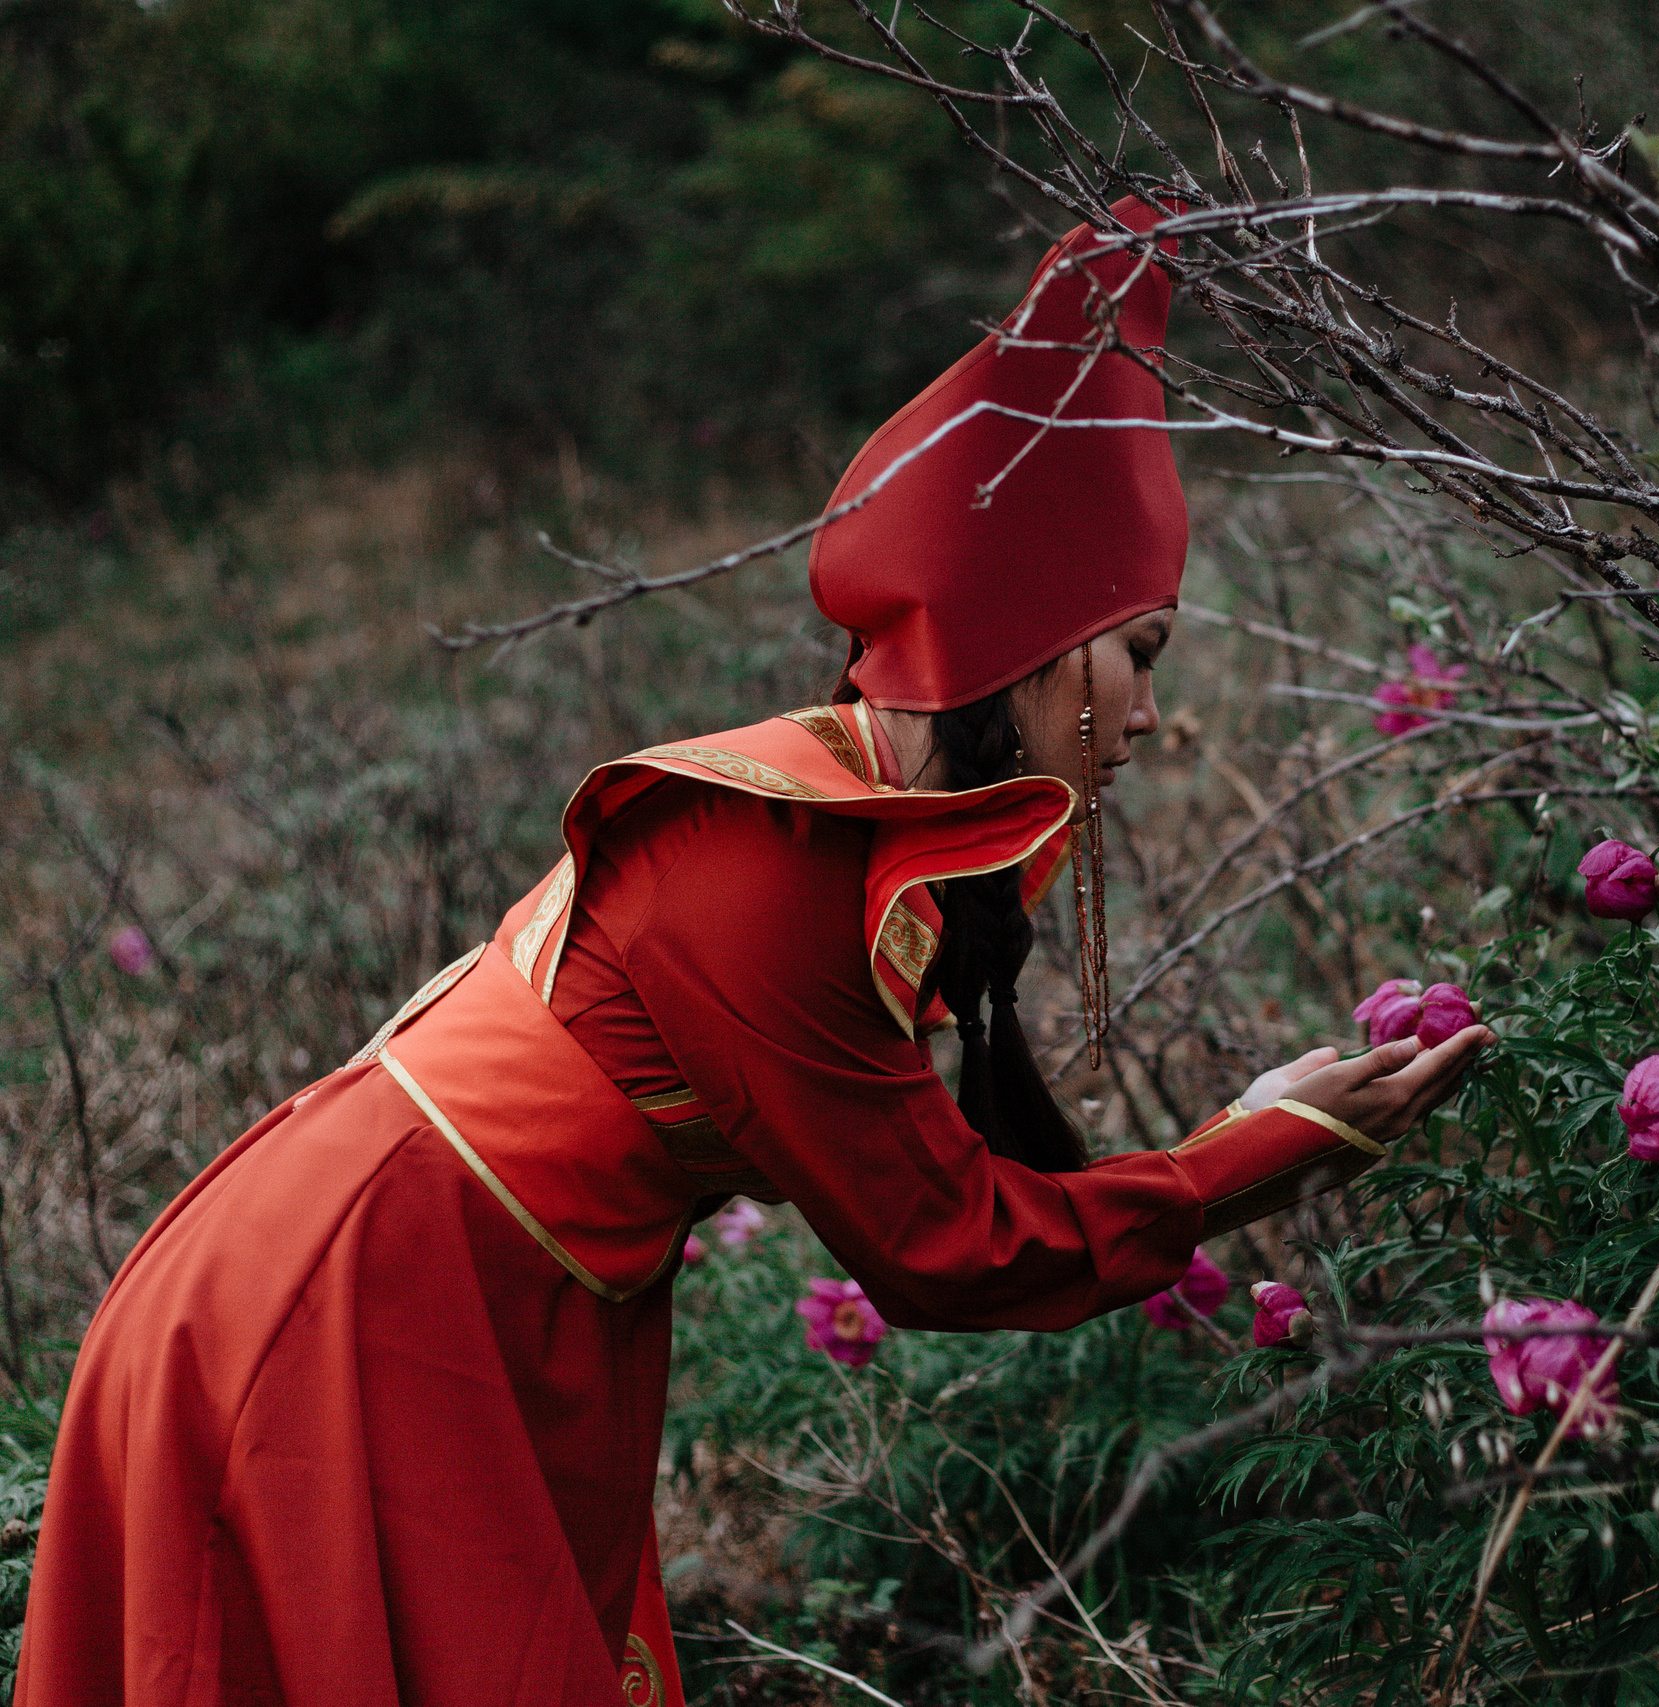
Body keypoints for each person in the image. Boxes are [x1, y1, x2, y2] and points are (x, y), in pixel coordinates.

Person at [17, 198, 1490, 1706]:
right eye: (1142, 658)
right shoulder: (776, 868)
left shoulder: (840, 825)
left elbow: (952, 1193)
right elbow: (942, 1251)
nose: (1153, 717)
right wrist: (1256, 1152)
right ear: (1035, 643)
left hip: (472, 1297)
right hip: (347, 1309)